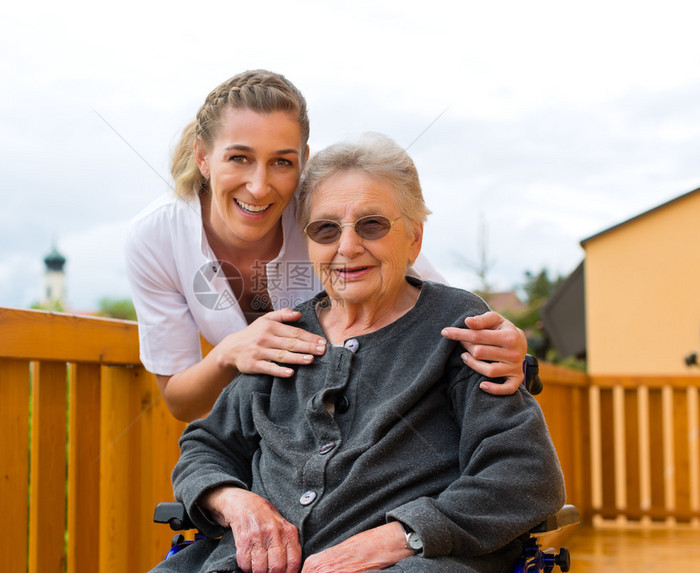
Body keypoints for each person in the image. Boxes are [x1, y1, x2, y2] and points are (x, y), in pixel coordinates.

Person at [150, 134, 565, 573]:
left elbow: (524, 475)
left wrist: (407, 534)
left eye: (372, 225)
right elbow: (206, 445)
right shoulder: (283, 334)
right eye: (326, 229)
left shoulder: (460, 328)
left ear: (414, 239)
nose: (347, 247)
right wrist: (233, 501)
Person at [125, 69, 528, 422]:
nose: (260, 186)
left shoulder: (327, 211)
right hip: (273, 436)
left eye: (282, 162)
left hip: (357, 426)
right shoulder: (157, 237)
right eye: (239, 158)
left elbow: (434, 303)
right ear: (202, 156)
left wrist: (510, 347)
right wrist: (229, 352)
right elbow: (180, 401)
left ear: (303, 160)